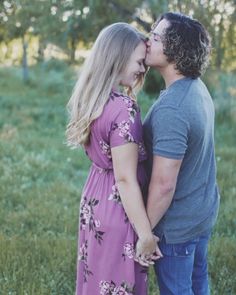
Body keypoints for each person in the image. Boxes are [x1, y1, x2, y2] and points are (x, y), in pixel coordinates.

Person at [66, 22, 161, 295]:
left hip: (94, 199)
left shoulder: (92, 100)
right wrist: (145, 235)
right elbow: (124, 178)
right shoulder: (124, 108)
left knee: (97, 280)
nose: (143, 69)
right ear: (118, 57)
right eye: (139, 62)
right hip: (119, 207)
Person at [143, 12, 220, 295]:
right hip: (200, 213)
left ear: (174, 49)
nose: (147, 40)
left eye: (154, 36)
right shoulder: (195, 88)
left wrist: (144, 233)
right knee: (198, 285)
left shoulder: (174, 108)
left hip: (177, 228)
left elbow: (164, 185)